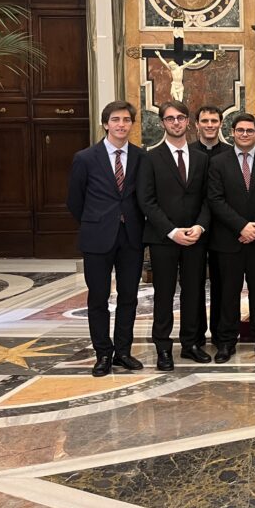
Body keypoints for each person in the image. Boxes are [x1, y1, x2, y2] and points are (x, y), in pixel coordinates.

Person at [66, 101, 145, 377]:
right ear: (105, 124)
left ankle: (123, 351)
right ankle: (102, 353)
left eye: (126, 120)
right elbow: (75, 200)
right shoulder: (85, 158)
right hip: (97, 237)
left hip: (131, 237)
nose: (121, 124)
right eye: (115, 120)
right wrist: (96, 222)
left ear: (132, 124)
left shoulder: (141, 157)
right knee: (98, 298)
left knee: (129, 297)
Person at [136, 101, 211, 370]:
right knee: (164, 294)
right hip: (163, 238)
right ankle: (163, 348)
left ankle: (191, 344)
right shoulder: (150, 158)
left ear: (188, 122)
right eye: (170, 119)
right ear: (162, 123)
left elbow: (209, 198)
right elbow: (146, 200)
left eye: (180, 118)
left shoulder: (201, 158)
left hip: (194, 237)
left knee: (193, 292)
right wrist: (171, 231)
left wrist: (200, 226)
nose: (176, 122)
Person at [207, 113, 255, 362]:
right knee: (228, 294)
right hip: (228, 240)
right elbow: (215, 199)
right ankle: (226, 342)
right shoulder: (218, 162)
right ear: (232, 132)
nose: (244, 134)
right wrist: (241, 227)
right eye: (240, 130)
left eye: (250, 131)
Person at [189, 104, 231, 349]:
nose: (210, 125)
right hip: (194, 227)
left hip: (223, 230)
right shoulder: (188, 152)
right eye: (205, 121)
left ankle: (220, 334)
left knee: (222, 285)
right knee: (193, 285)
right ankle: (195, 336)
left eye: (214, 121)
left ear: (221, 124)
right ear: (197, 124)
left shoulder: (230, 153)